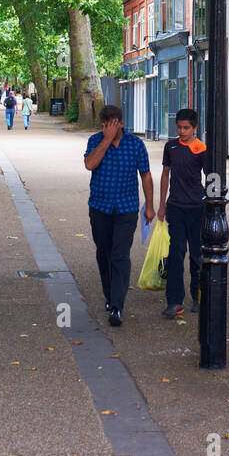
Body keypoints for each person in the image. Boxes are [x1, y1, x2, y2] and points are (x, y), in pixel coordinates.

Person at [84, 105, 154, 327]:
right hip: (100, 207)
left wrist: (150, 205)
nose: (108, 128)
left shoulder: (135, 144)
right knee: (104, 253)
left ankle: (117, 306)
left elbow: (145, 175)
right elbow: (89, 164)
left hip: (126, 208)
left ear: (121, 124)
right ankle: (109, 295)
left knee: (120, 255)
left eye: (112, 125)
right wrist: (106, 140)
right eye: (104, 125)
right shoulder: (95, 141)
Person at [158, 107, 208, 319]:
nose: (182, 131)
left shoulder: (201, 149)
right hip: (176, 207)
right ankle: (174, 301)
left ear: (195, 128)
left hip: (197, 208)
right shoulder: (170, 147)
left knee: (197, 256)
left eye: (186, 128)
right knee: (176, 255)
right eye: (179, 127)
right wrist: (161, 204)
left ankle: (198, 298)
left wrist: (212, 203)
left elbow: (210, 176)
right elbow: (165, 175)